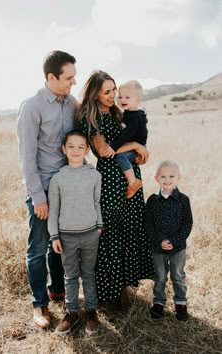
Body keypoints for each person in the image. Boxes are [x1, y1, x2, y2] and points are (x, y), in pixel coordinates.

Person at [76, 70, 155, 309]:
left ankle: (123, 288)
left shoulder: (117, 112)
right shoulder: (90, 118)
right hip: (110, 180)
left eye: (114, 90)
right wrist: (135, 145)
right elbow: (104, 151)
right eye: (107, 91)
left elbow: (136, 135)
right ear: (95, 93)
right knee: (111, 232)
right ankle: (106, 293)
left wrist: (139, 150)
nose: (113, 95)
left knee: (130, 227)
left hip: (130, 176)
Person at [17, 50, 77, 329]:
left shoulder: (72, 103)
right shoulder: (32, 106)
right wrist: (38, 197)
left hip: (66, 185)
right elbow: (27, 158)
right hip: (41, 187)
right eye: (68, 77)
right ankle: (39, 304)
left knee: (59, 244)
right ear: (51, 77)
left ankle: (56, 289)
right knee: (38, 247)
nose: (73, 82)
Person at [48, 130, 102, 334]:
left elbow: (96, 202)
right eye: (71, 146)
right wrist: (55, 235)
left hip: (90, 234)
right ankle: (71, 312)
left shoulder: (94, 175)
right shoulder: (58, 178)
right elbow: (53, 210)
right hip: (66, 236)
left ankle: (91, 311)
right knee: (70, 276)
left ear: (87, 149)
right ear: (64, 149)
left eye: (81, 147)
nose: (76, 151)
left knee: (88, 274)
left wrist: (99, 226)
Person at [145, 160, 193, 321]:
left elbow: (187, 223)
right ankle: (158, 303)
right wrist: (160, 241)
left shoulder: (183, 200)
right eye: (163, 176)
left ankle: (180, 303)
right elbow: (148, 224)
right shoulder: (152, 200)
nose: (167, 179)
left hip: (178, 248)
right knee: (160, 277)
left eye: (171, 176)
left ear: (179, 177)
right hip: (158, 248)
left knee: (178, 276)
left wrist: (175, 241)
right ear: (156, 178)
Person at [104, 80, 148, 199]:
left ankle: (133, 182)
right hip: (133, 146)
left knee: (121, 156)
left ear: (138, 100)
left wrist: (113, 147)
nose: (122, 100)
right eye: (120, 97)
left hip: (136, 148)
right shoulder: (129, 113)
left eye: (127, 97)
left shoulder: (135, 117)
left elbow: (126, 134)